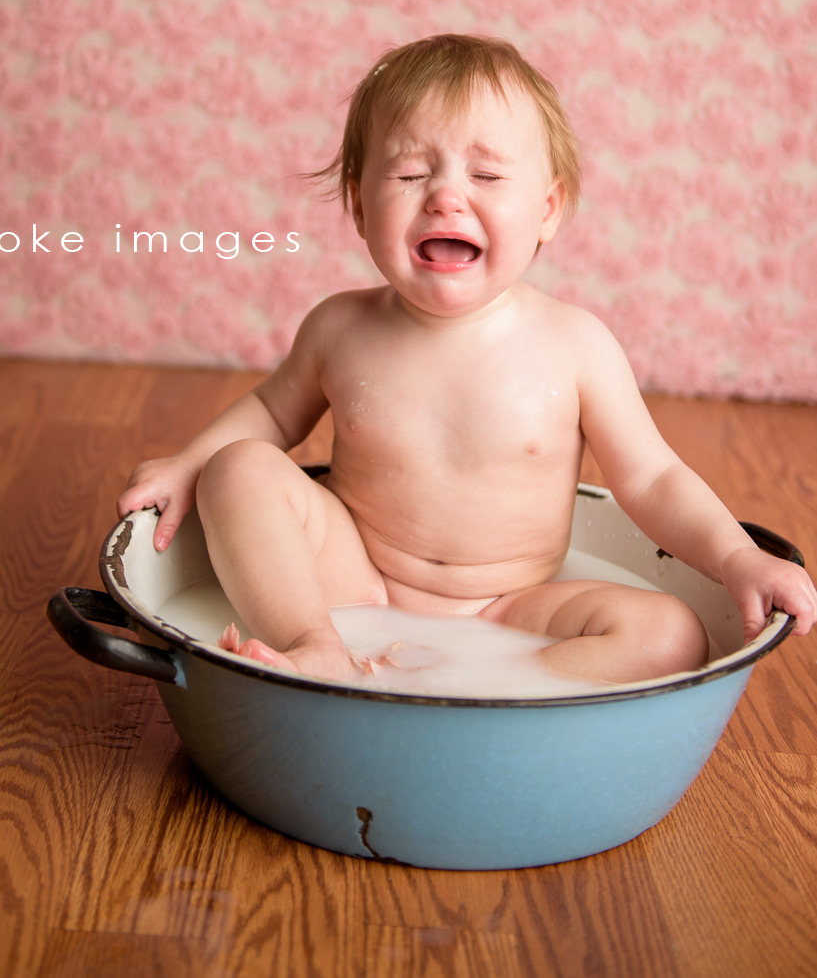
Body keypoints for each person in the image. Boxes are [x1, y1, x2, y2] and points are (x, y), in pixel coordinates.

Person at [118, 34, 816, 684]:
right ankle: (314, 646)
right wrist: (189, 463)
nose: (446, 197)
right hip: (356, 578)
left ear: (547, 210)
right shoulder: (339, 328)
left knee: (669, 634)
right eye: (410, 172)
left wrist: (735, 557)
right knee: (236, 466)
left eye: (486, 175)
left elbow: (653, 477)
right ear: (358, 206)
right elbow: (270, 413)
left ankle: (488, 692)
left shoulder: (574, 346)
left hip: (515, 606)